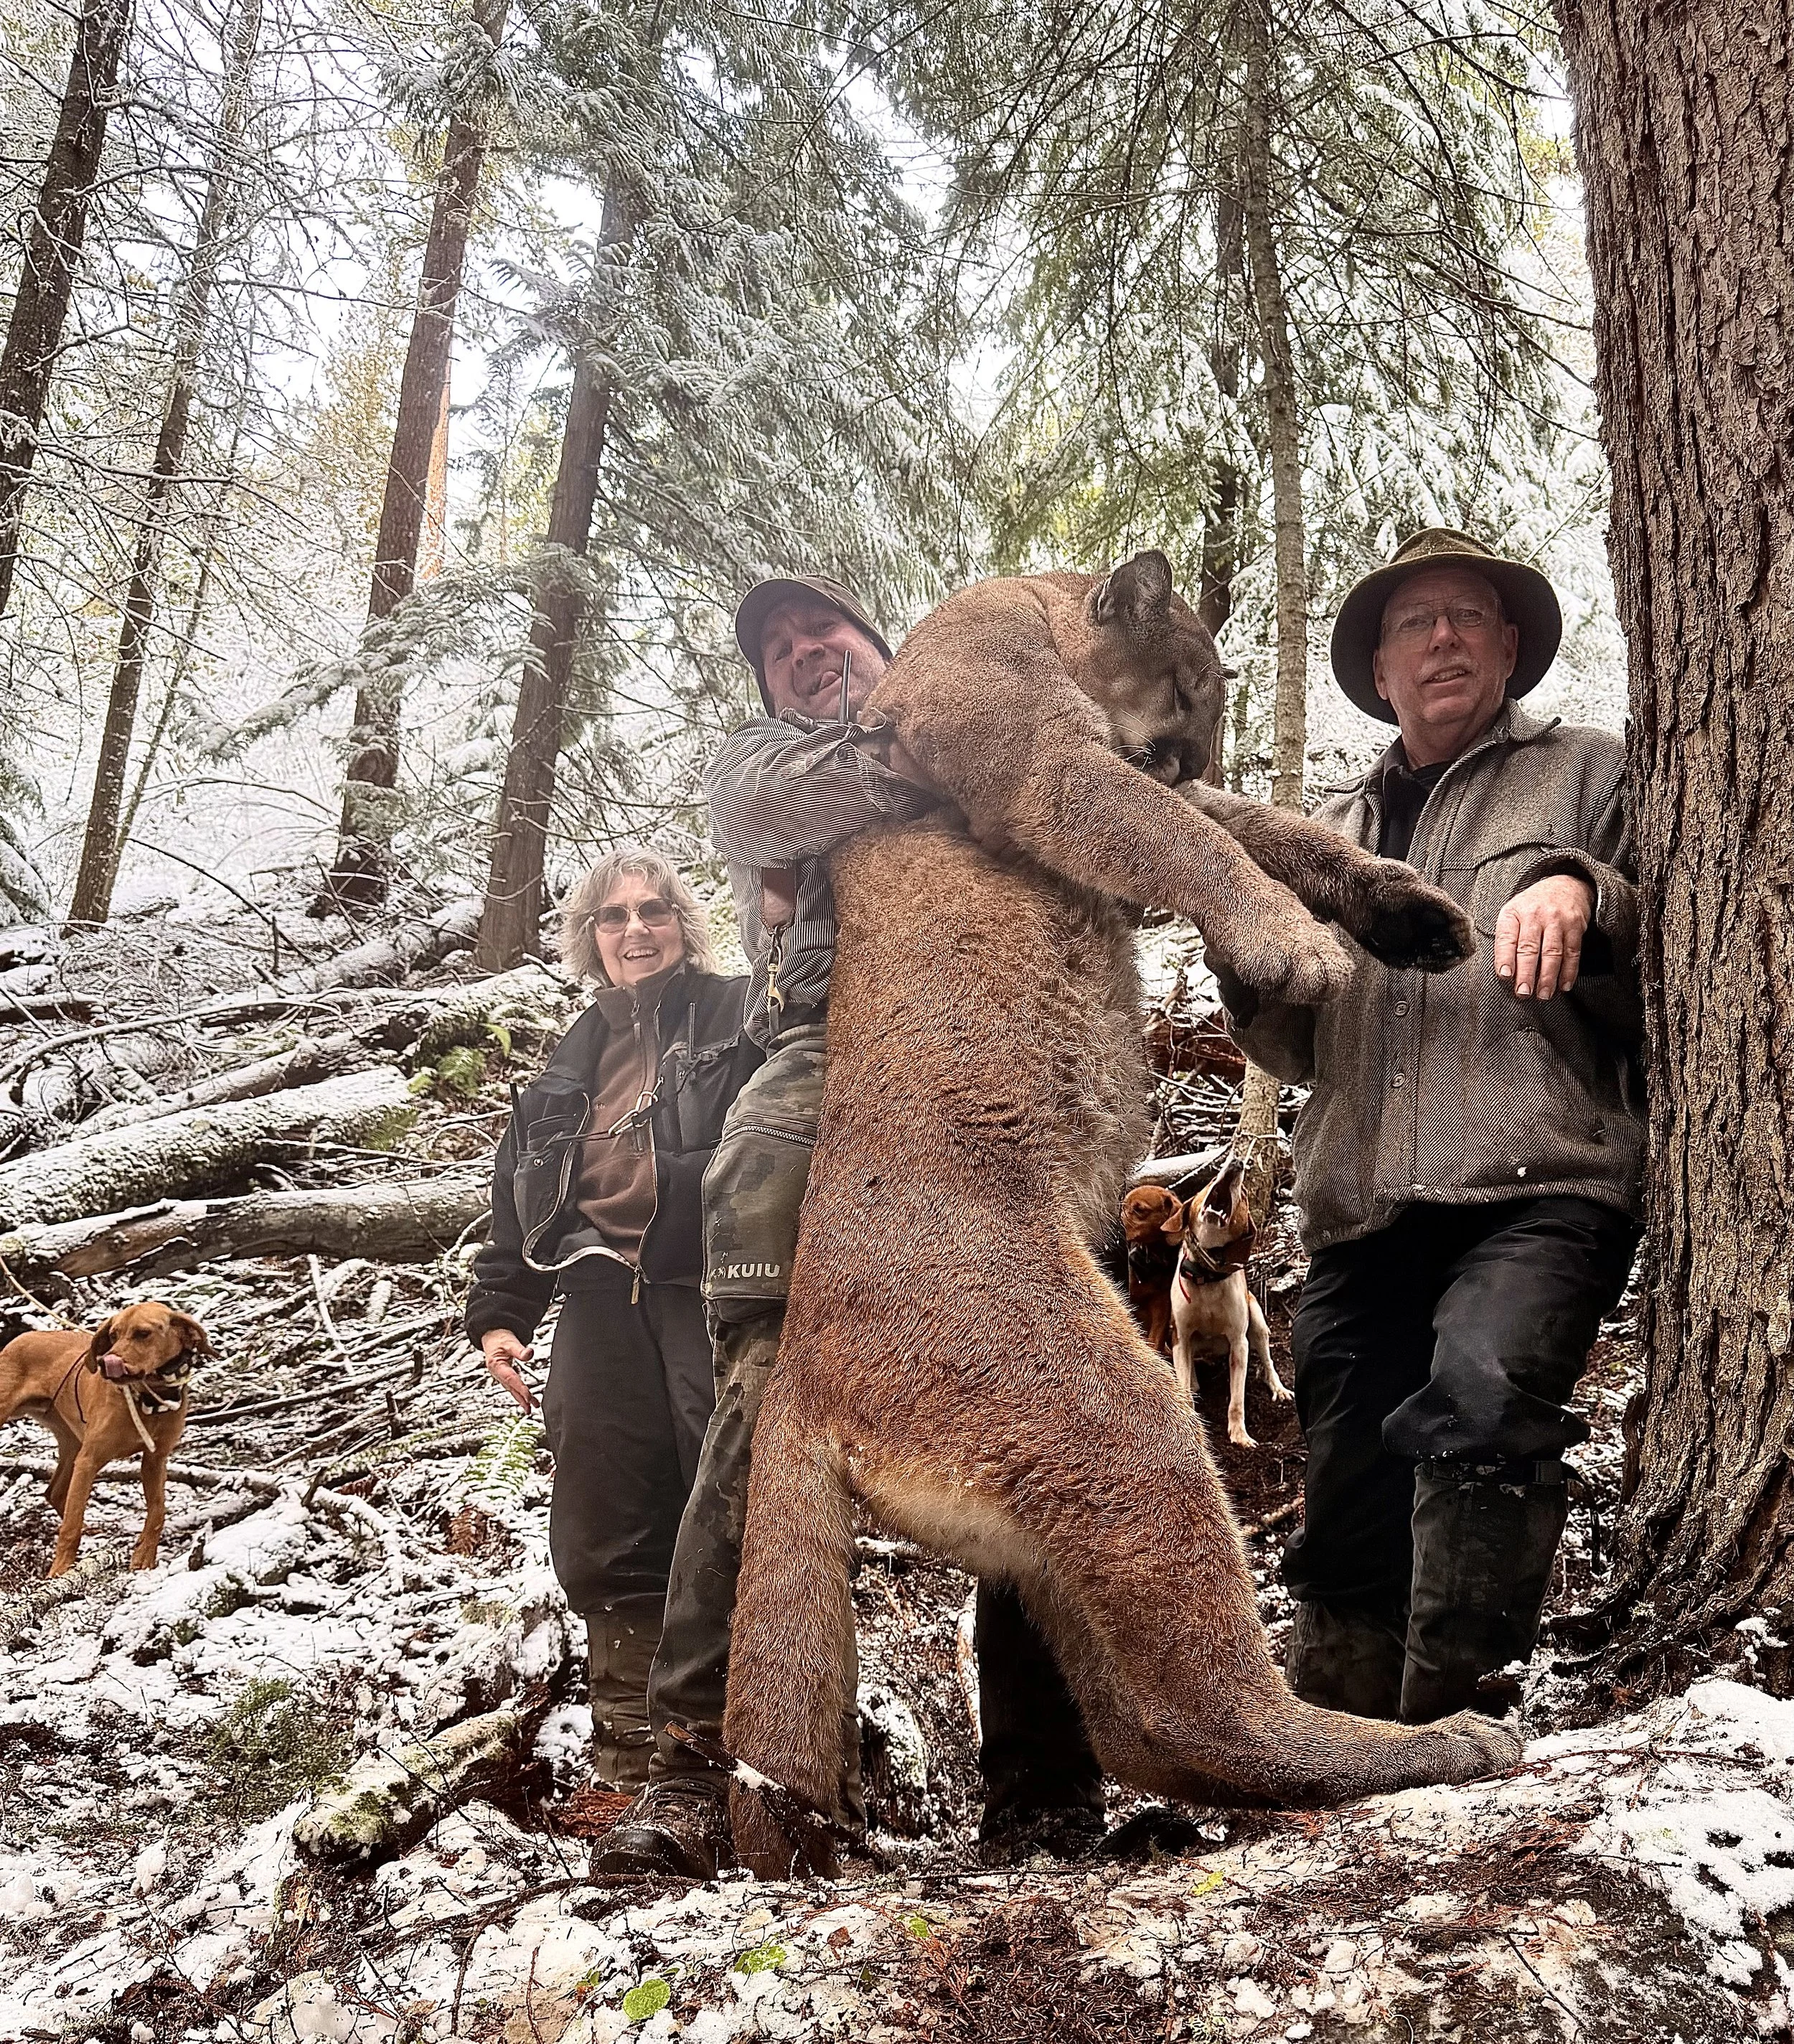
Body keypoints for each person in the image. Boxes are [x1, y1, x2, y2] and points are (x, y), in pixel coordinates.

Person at [595, 574, 1107, 1879]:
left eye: (825, 633)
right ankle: (706, 1777)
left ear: (891, 646)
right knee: (765, 1422)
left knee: (1043, 1414)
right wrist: (963, 762)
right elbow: (782, 804)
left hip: (991, 1095)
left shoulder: (999, 716)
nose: (802, 654)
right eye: (776, 650)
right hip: (816, 1104)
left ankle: (1048, 1792)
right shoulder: (772, 764)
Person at [1217, 527, 1644, 1724]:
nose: (1444, 636)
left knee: (1484, 1402)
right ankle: (1344, 1772)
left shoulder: (1591, 774)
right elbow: (1291, 1047)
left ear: (1510, 648)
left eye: (1469, 617)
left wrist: (1583, 890)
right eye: (1417, 623)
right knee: (1349, 1485)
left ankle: (1461, 1732)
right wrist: (1246, 956)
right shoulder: (1334, 832)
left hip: (1541, 1176)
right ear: (1382, 667)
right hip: (1361, 1201)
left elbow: (1689, 958)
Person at [466, 850, 759, 1785]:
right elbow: (520, 1192)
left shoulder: (740, 1017)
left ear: (683, 921)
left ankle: (737, 1764)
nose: (636, 931)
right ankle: (636, 1771)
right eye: (614, 917)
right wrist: (502, 1311)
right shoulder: (575, 1050)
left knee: (730, 1514)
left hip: (707, 1295)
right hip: (597, 1301)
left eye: (654, 911)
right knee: (605, 1526)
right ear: (591, 937)